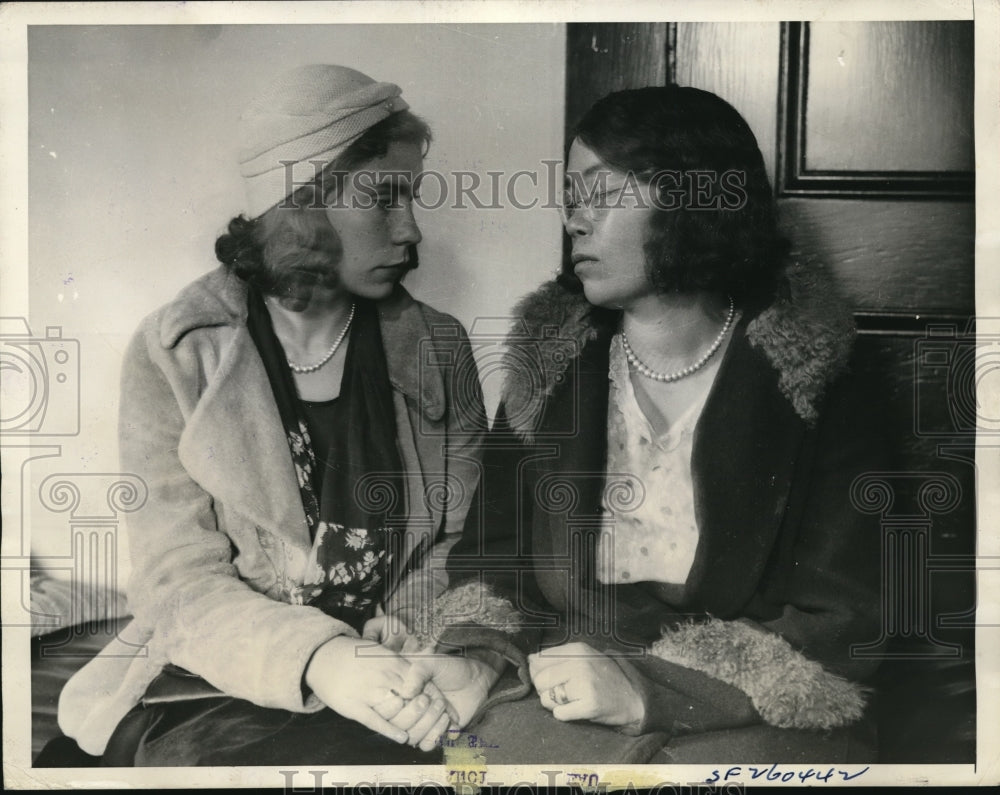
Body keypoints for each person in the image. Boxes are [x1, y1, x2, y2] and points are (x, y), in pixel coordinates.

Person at [414, 85, 890, 762]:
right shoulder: (548, 362)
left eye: (601, 193)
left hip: (753, 706)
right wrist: (476, 660)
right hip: (568, 689)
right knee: (483, 762)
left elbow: (846, 618)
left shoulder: (819, 371)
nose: (574, 220)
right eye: (570, 197)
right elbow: (495, 560)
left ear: (692, 201)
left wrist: (649, 691)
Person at [54, 65, 485, 766]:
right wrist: (322, 658)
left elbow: (464, 540)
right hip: (222, 675)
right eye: (384, 198)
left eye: (412, 197)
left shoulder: (438, 347)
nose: (411, 230)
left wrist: (405, 622)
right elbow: (177, 583)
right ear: (300, 206)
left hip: (402, 669)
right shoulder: (176, 352)